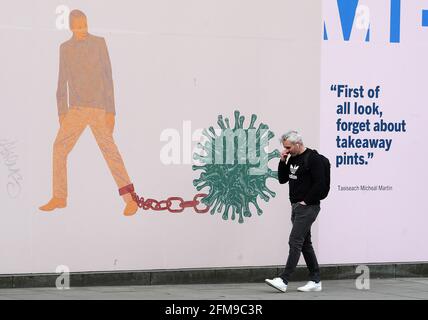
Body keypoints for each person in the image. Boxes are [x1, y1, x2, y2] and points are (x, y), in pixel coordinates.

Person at [39, 10, 138, 216]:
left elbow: (108, 78)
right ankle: (59, 197)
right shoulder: (64, 48)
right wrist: (61, 112)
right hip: (75, 109)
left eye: (85, 25)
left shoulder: (100, 43)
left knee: (110, 152)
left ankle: (131, 200)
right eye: (78, 26)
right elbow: (61, 81)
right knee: (59, 148)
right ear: (71, 27)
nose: (83, 29)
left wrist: (111, 111)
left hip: (99, 109)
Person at [265, 130, 325, 292]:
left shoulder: (312, 159)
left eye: (288, 147)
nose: (286, 150)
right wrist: (282, 161)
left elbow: (320, 183)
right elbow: (283, 179)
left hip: (308, 207)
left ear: (298, 144)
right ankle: (316, 280)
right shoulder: (292, 158)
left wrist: (306, 201)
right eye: (285, 147)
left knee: (295, 241)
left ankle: (284, 280)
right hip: (296, 206)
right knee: (305, 243)